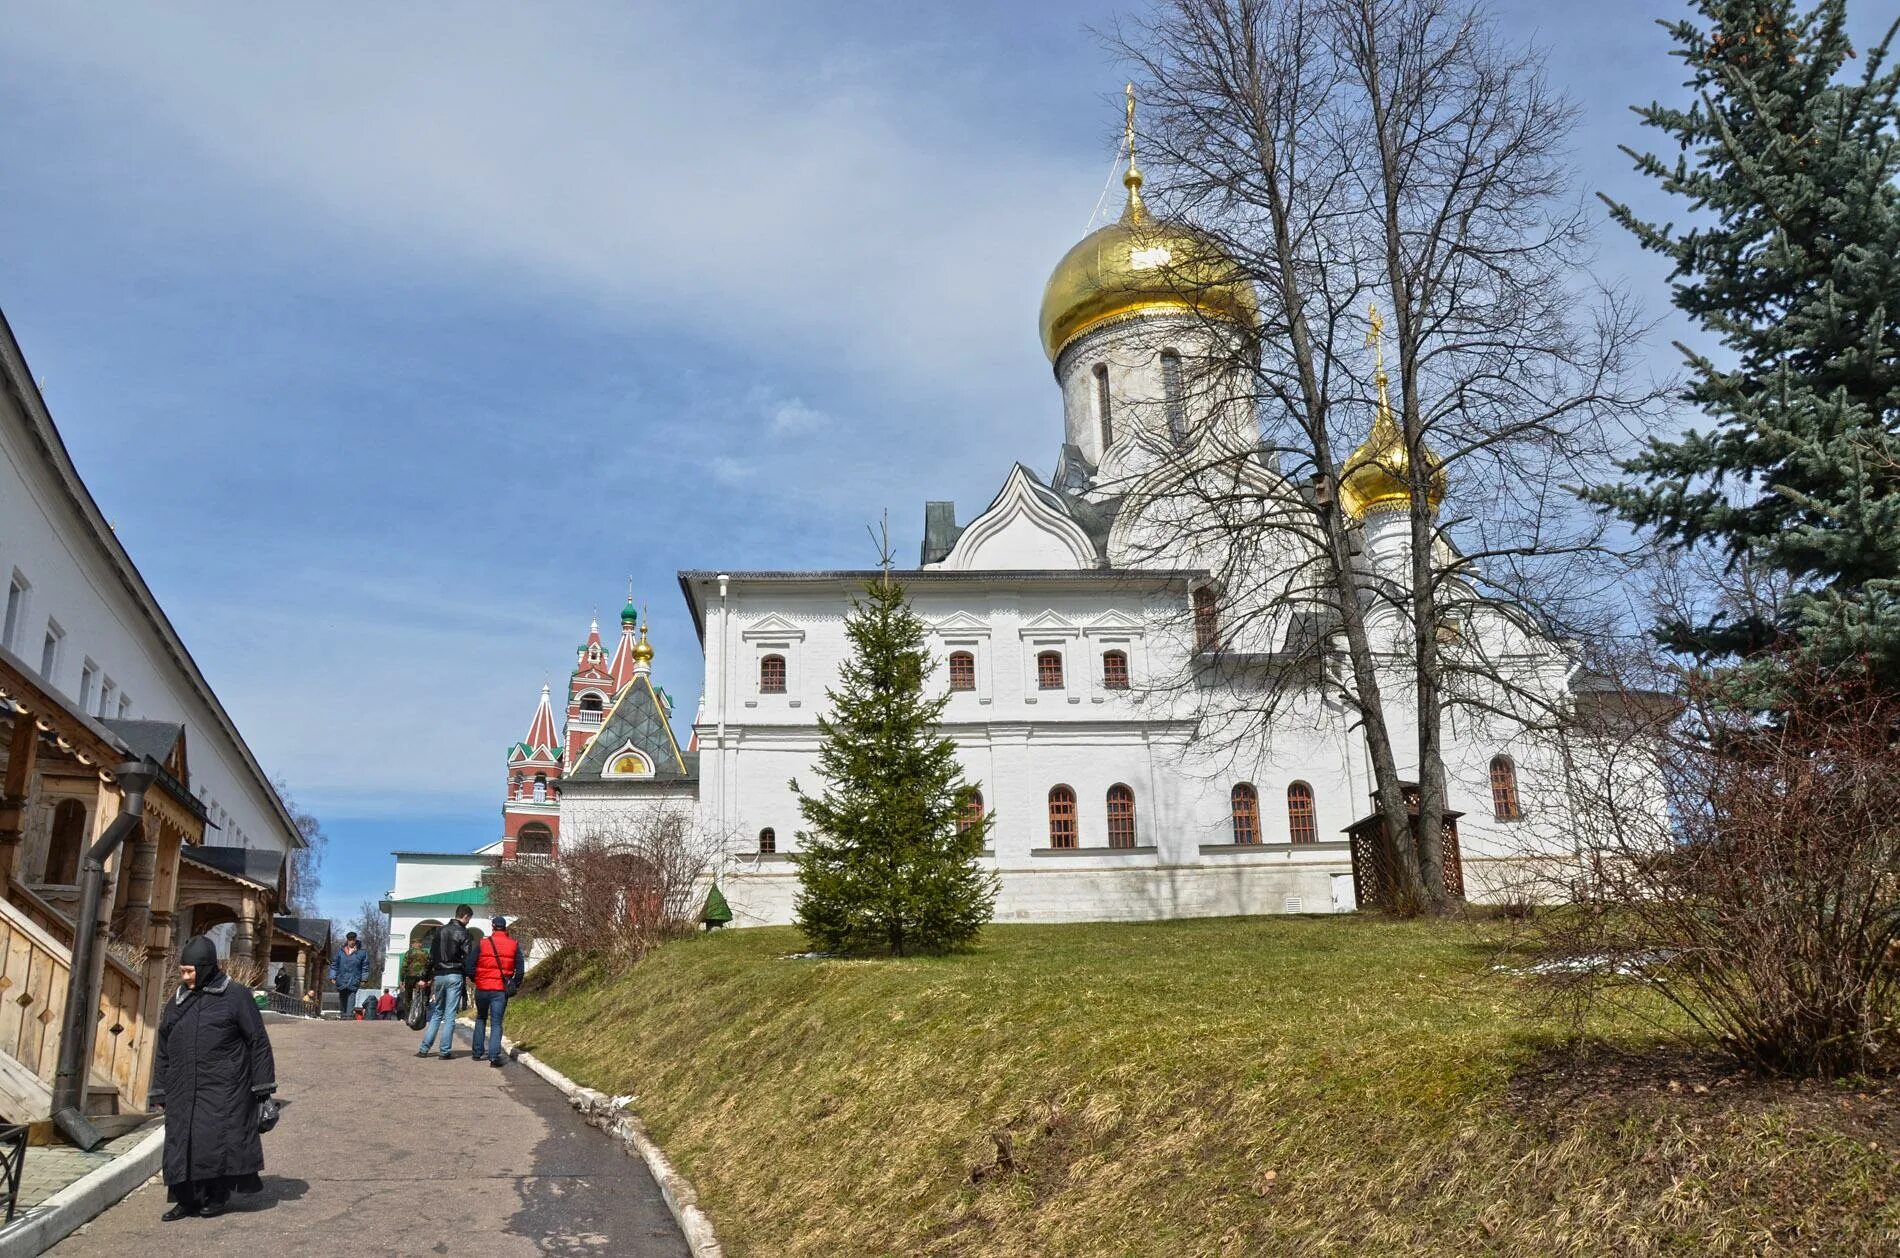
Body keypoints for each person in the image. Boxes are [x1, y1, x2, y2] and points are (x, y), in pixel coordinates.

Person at [151, 935, 276, 1221]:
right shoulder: (178, 1000)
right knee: (180, 1143)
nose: (184, 977)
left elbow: (257, 1041)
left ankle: (216, 1196)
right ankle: (185, 1200)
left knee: (214, 1142)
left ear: (205, 967)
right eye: (182, 970)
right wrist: (158, 1089)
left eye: (189, 971)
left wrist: (263, 1089)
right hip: (182, 1087)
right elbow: (163, 1046)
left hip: (224, 1086)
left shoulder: (236, 996)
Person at [416, 904, 473, 1059]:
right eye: (469, 919)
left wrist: (425, 977)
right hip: (455, 974)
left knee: (437, 1012)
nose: (468, 922)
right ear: (466, 916)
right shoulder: (464, 933)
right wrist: (471, 975)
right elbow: (468, 958)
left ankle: (424, 1049)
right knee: (450, 1015)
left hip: (439, 975)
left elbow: (431, 956)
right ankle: (444, 1051)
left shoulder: (439, 931)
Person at [470, 915, 524, 1068]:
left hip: (482, 988)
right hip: (500, 990)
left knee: (480, 1018)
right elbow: (520, 969)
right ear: (505, 928)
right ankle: (494, 1057)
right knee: (496, 1022)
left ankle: (477, 1052)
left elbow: (469, 964)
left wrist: (477, 979)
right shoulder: (514, 945)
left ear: (493, 928)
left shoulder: (483, 943)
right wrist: (513, 984)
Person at [329, 932, 368, 1022]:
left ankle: (349, 1015)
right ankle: (343, 1014)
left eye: (353, 940)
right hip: (341, 978)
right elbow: (334, 965)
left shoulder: (362, 953)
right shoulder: (340, 952)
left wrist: (364, 978)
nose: (352, 942)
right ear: (347, 940)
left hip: (354, 978)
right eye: (350, 940)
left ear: (356, 939)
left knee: (351, 995)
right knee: (342, 996)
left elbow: (365, 966)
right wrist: (332, 976)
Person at [399, 937, 432, 1018]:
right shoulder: (426, 953)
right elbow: (430, 966)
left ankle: (408, 1016)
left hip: (411, 977)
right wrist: (429, 979)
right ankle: (425, 1002)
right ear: (420, 944)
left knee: (408, 996)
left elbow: (404, 967)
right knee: (425, 991)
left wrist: (401, 979)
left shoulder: (409, 953)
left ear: (413, 944)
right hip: (422, 977)